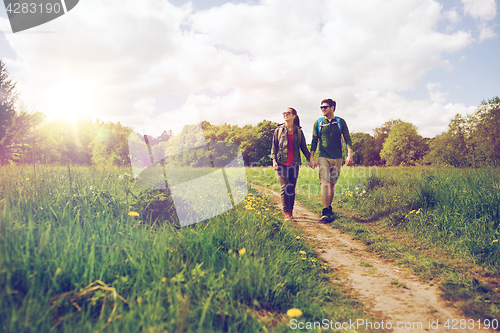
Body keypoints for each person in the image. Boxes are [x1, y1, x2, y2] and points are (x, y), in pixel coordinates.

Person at [309, 99, 353, 222]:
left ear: (332, 107)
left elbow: (347, 138)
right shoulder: (318, 123)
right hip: (323, 156)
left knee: (332, 185)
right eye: (321, 107)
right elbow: (314, 141)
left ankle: (329, 207)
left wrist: (349, 155)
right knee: (325, 183)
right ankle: (325, 211)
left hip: (338, 157)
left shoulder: (340, 122)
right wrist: (311, 158)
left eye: (325, 107)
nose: (323, 109)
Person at [271, 107, 311, 221]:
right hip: (281, 163)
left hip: (294, 164)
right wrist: (274, 161)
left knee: (292, 188)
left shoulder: (298, 131)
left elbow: (303, 148)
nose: (285, 115)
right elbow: (273, 147)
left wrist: (310, 160)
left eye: (288, 113)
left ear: (294, 116)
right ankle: (286, 212)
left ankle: (291, 210)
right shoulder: (278, 130)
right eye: (284, 113)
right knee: (285, 186)